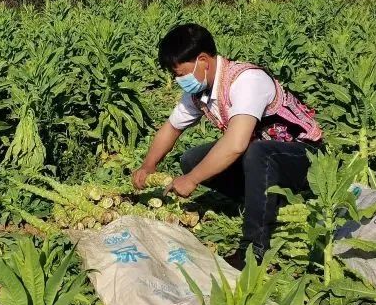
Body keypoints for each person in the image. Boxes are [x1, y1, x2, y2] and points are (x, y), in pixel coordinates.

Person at [132, 24, 323, 268]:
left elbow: (235, 144)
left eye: (180, 74)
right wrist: (148, 165)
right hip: (263, 157)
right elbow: (172, 127)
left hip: (306, 157)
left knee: (255, 151)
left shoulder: (246, 80)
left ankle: (253, 251)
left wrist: (191, 180)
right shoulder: (199, 92)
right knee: (192, 159)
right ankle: (265, 202)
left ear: (203, 61)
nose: (178, 81)